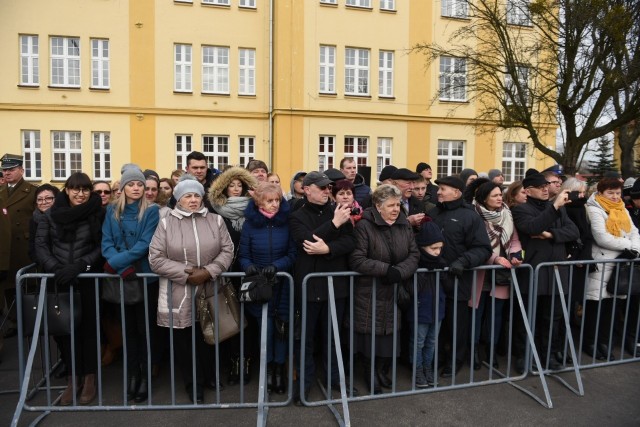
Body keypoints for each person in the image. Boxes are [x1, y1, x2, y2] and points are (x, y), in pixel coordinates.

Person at [149, 174, 234, 404]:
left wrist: (208, 271)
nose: (193, 200)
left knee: (209, 336)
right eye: (187, 196)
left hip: (210, 287)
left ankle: (209, 377)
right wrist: (188, 274)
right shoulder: (167, 223)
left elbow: (227, 250)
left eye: (196, 195)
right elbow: (156, 259)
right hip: (180, 291)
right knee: (185, 342)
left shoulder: (215, 220)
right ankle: (192, 384)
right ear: (178, 199)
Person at [34, 172, 105, 405]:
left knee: (88, 330)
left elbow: (101, 246)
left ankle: (90, 378)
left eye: (85, 189)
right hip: (60, 280)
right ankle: (73, 380)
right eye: (75, 189)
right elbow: (41, 245)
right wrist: (57, 269)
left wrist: (81, 265)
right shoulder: (51, 214)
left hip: (87, 278)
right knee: (64, 332)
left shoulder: (98, 212)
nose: (80, 194)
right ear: (67, 190)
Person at [289, 171, 356, 402]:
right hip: (309, 286)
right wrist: (334, 224)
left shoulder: (336, 210)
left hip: (335, 285)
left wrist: (328, 249)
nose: (328, 191)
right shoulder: (297, 215)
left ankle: (335, 380)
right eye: (322, 188)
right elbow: (307, 241)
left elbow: (350, 241)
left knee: (334, 337)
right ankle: (304, 385)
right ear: (307, 189)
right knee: (305, 340)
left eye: (329, 187)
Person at [350, 184, 419, 394]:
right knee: (370, 335)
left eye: (398, 204)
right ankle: (370, 373)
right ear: (378, 206)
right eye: (391, 205)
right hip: (370, 290)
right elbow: (357, 259)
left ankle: (381, 371)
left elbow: (414, 254)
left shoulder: (403, 225)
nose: (396, 209)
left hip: (394, 289)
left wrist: (399, 272)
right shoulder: (364, 226)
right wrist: (385, 269)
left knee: (388, 336)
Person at [102, 164, 160, 402]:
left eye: (140, 184)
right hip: (122, 279)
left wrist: (116, 263)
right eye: (131, 184)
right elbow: (106, 242)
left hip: (144, 278)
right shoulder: (112, 211)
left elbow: (145, 244)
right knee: (128, 332)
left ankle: (145, 377)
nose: (136, 188)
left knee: (144, 330)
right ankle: (132, 376)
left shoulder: (152, 211)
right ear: (123, 187)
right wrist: (120, 266)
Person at [511, 171, 579, 372]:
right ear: (528, 190)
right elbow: (533, 227)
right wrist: (555, 207)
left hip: (556, 272)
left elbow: (573, 231)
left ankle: (548, 355)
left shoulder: (557, 209)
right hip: (533, 272)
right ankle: (524, 356)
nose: (544, 189)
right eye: (540, 187)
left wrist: (551, 234)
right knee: (527, 319)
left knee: (553, 318)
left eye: (545, 186)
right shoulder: (521, 210)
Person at [427, 176, 492, 377]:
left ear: (456, 192)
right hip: (434, 279)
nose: (438, 192)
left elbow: (483, 248)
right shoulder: (432, 213)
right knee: (435, 324)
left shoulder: (470, 216)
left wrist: (463, 261)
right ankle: (435, 359)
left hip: (458, 279)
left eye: (443, 189)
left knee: (457, 325)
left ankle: (454, 361)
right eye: (438, 189)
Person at [239, 183, 296, 394]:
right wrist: (249, 267)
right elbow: (243, 255)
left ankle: (279, 370)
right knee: (266, 329)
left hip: (282, 284)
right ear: (259, 202)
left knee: (281, 329)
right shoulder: (250, 225)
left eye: (277, 200)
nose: (274, 205)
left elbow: (293, 253)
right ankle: (268, 371)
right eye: (269, 201)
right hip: (260, 287)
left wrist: (277, 266)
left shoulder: (286, 223)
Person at [208, 166, 258, 385]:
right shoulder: (216, 211)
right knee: (228, 319)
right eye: (232, 185)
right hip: (225, 271)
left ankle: (244, 362)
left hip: (247, 270)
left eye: (240, 185)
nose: (236, 189)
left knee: (246, 319)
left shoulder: (253, 210)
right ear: (224, 188)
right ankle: (229, 362)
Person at [466, 178, 522, 371]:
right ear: (484, 198)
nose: (500, 198)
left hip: (501, 273)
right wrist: (494, 259)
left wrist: (515, 254)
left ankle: (491, 352)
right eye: (495, 195)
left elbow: (514, 239)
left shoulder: (507, 213)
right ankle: (473, 351)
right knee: (476, 314)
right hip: (481, 271)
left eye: (500, 194)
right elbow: (475, 245)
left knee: (496, 315)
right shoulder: (473, 215)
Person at [584, 178, 640, 361]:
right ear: (601, 193)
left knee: (612, 306)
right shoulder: (594, 208)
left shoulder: (622, 208)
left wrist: (636, 249)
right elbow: (601, 237)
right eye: (611, 193)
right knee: (596, 305)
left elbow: (634, 232)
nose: (615, 197)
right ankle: (591, 342)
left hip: (619, 264)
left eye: (617, 193)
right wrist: (627, 247)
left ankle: (605, 342)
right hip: (601, 263)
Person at [0, 153, 37, 339]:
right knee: (8, 287)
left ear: (22, 170)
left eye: (11, 169)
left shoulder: (32, 191)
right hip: (5, 248)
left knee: (26, 287)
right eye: (4, 170)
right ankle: (14, 321)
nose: (7, 173)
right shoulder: (1, 192)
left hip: (23, 246)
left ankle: (30, 321)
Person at [408, 220, 446, 388]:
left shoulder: (441, 264)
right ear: (423, 247)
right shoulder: (415, 264)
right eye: (433, 248)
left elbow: (447, 286)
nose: (437, 252)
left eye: (440, 248)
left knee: (431, 341)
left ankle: (428, 368)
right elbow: (412, 288)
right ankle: (417, 370)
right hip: (420, 308)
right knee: (418, 341)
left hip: (437, 308)